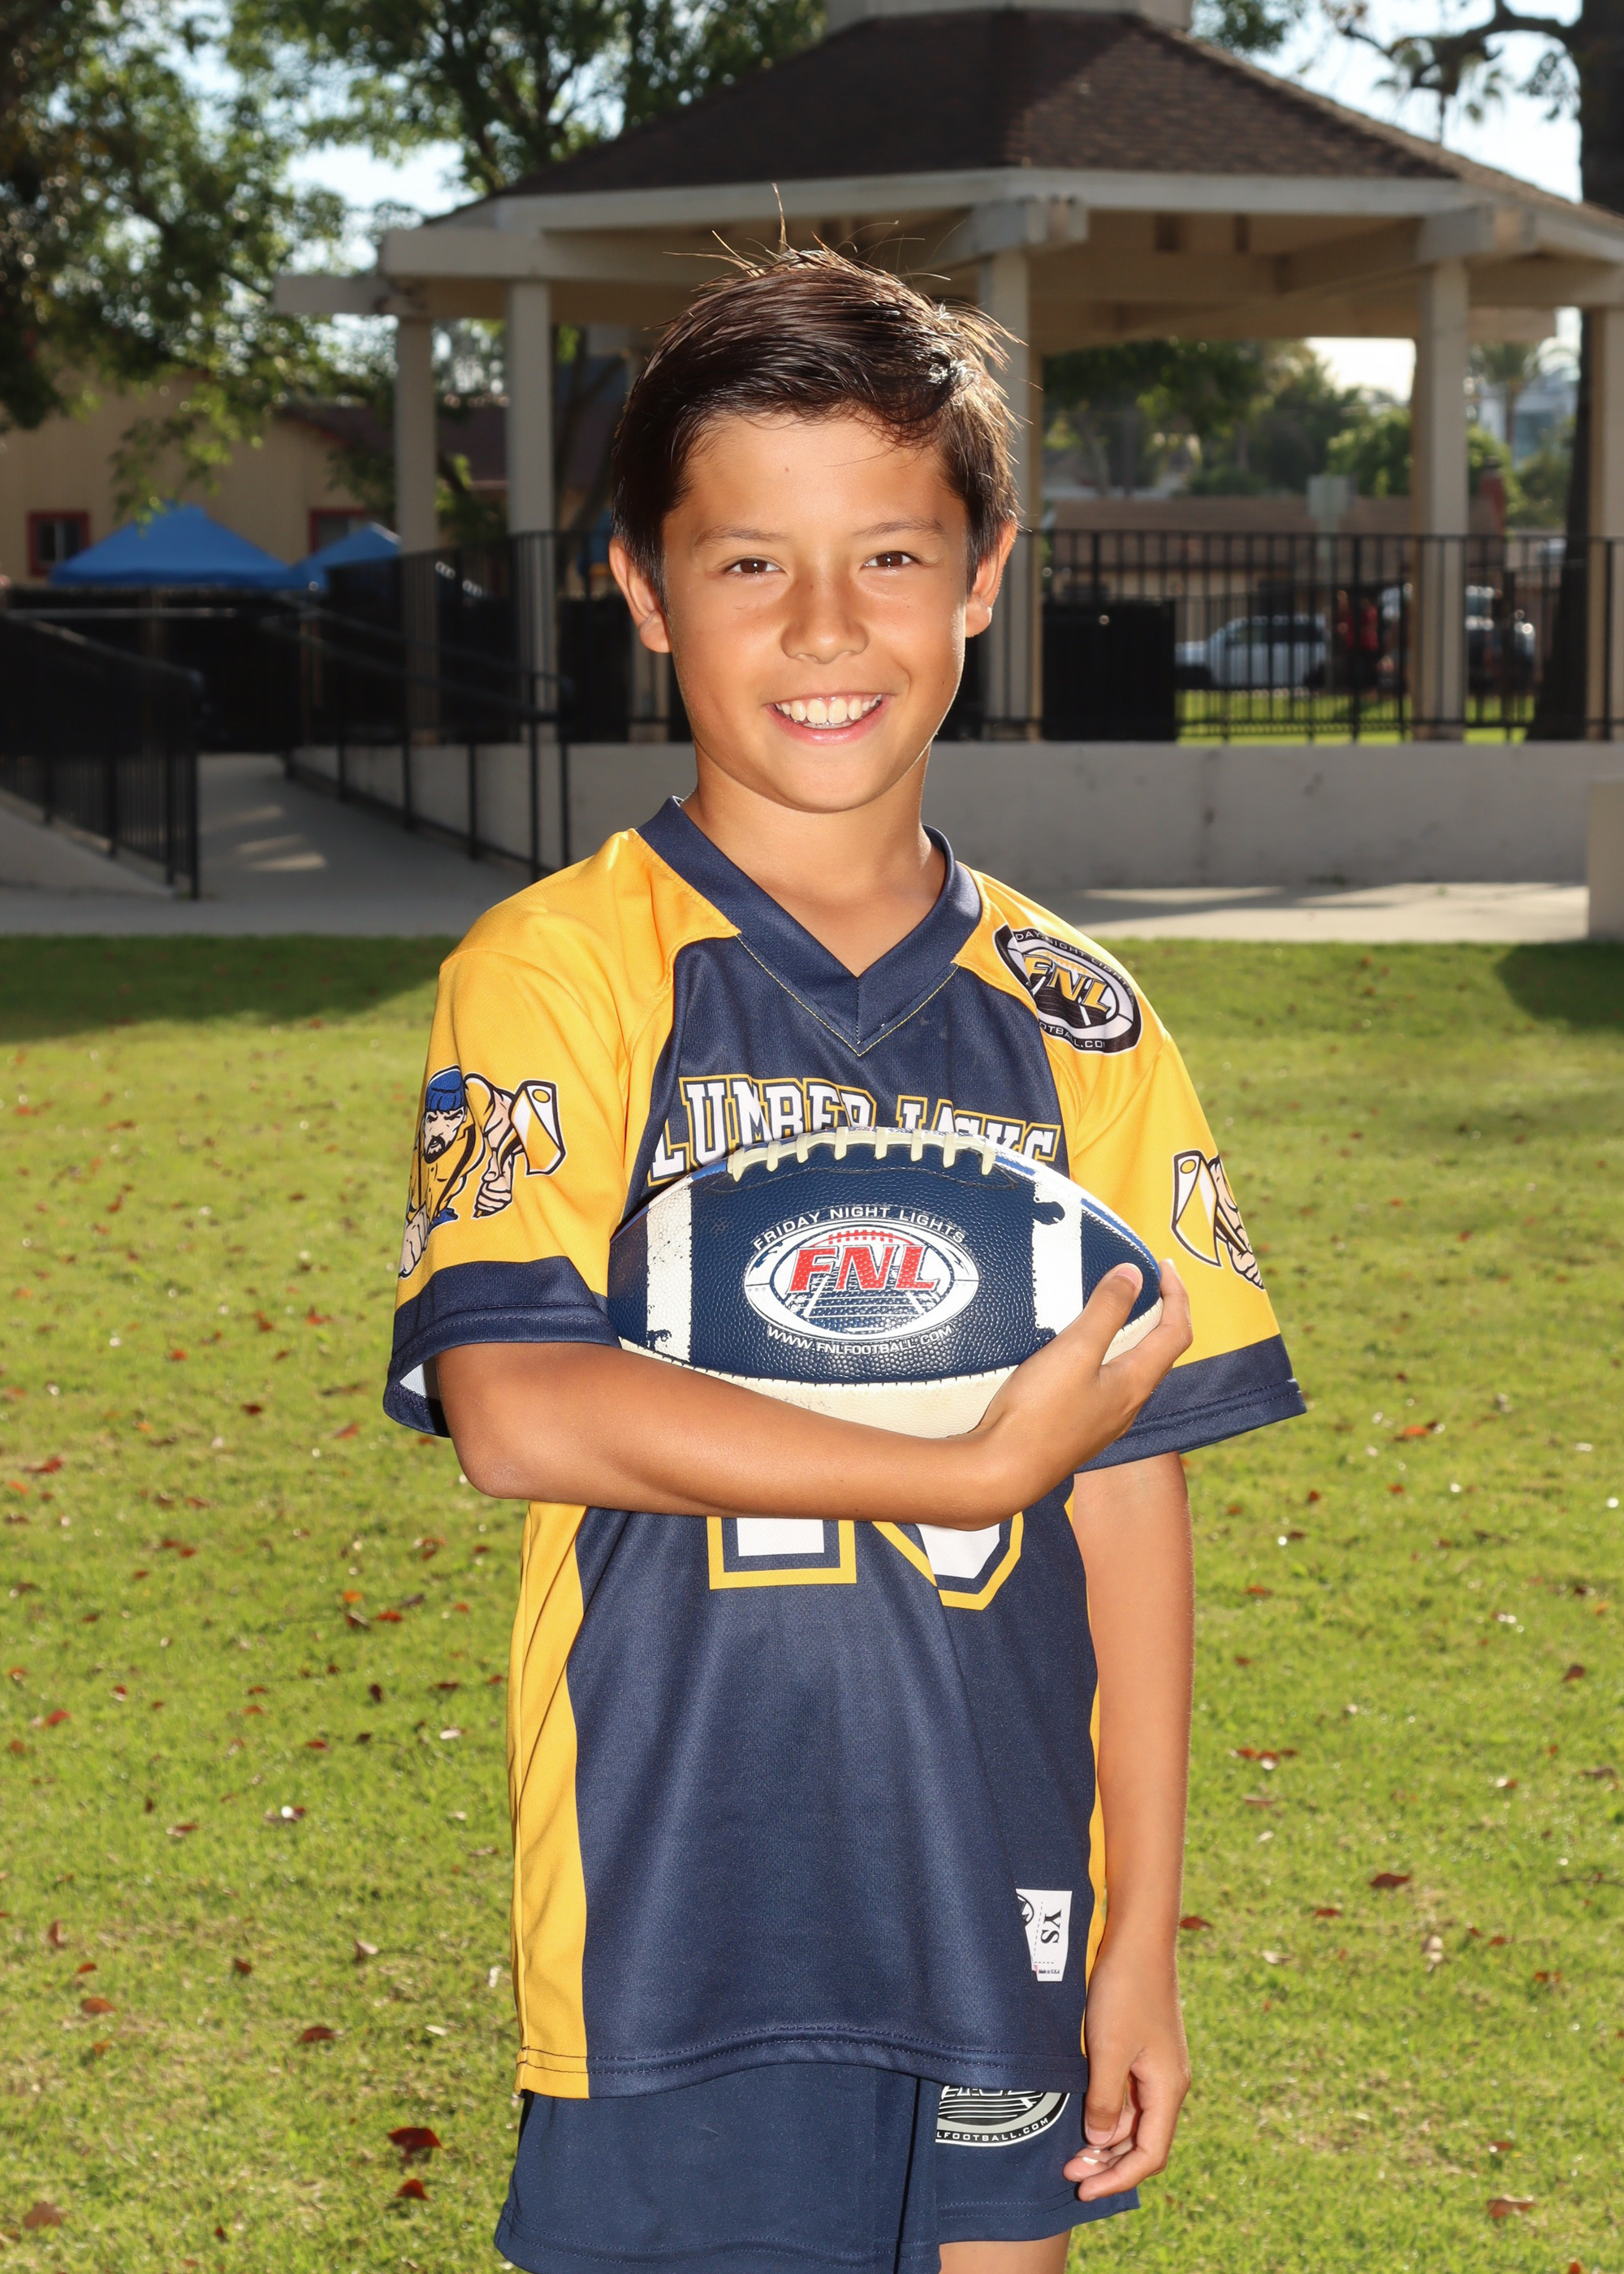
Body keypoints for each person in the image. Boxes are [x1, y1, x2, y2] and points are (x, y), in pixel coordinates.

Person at [384, 249, 1305, 2274]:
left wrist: (1138, 1940)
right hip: (671, 1916)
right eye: (748, 564)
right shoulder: (561, 968)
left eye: (889, 555)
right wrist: (961, 1468)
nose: (825, 627)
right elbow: (516, 1408)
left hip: (1001, 1908)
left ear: (982, 577)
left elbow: (1131, 1490)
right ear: (641, 590)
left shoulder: (1082, 1017)